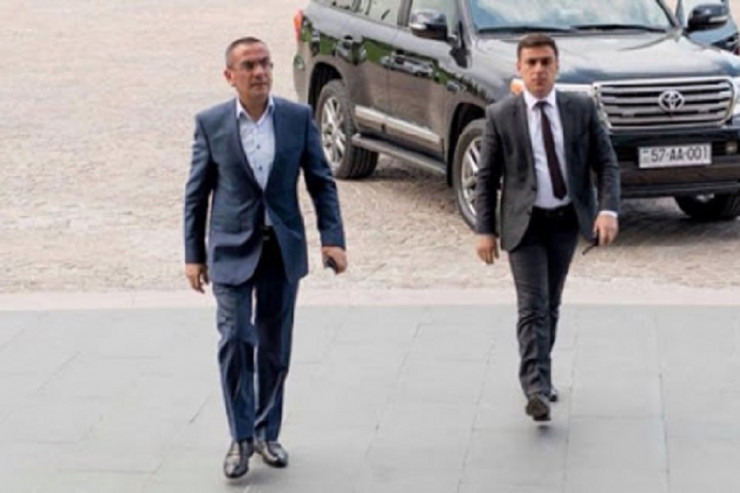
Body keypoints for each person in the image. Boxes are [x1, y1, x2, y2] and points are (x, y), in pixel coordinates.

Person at [183, 36, 347, 478]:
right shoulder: (211, 124)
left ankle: (265, 432)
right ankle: (239, 438)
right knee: (237, 339)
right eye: (249, 66)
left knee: (275, 348)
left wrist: (332, 238)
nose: (260, 73)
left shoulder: (296, 118)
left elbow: (321, 181)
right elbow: (196, 195)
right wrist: (193, 255)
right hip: (230, 250)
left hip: (281, 250)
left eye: (266, 64)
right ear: (230, 76)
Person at [474, 33, 620, 422]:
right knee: (532, 305)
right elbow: (486, 178)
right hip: (524, 223)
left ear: (557, 66)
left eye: (545, 62)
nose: (538, 70)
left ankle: (543, 374)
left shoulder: (580, 109)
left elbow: (606, 163)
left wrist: (607, 210)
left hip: (564, 220)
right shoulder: (501, 115)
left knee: (550, 303)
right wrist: (484, 230)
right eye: (531, 63)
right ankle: (535, 388)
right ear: (519, 68)